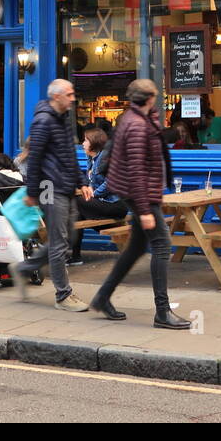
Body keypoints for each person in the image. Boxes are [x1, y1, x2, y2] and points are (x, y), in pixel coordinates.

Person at [90, 78, 190, 329]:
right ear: (148, 98)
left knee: (135, 248)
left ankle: (102, 297)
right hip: (140, 194)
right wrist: (144, 209)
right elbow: (135, 169)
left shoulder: (139, 118)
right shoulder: (136, 124)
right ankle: (162, 312)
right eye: (155, 95)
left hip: (140, 193)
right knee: (162, 245)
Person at [15, 79, 89, 312]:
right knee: (59, 243)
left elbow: (70, 155)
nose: (73, 98)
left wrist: (83, 181)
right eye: (69, 94)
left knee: (69, 239)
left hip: (67, 187)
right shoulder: (43, 121)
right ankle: (63, 295)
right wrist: (32, 192)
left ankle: (24, 268)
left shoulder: (64, 120)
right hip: (51, 188)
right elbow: (34, 158)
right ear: (57, 97)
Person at [70, 127, 128, 264]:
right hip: (103, 202)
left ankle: (72, 253)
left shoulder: (106, 158)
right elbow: (92, 182)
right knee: (77, 214)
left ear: (94, 142)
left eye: (85, 140)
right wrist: (89, 189)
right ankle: (75, 256)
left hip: (115, 205)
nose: (82, 143)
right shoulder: (91, 159)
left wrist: (93, 193)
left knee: (76, 202)